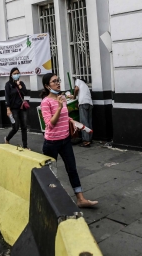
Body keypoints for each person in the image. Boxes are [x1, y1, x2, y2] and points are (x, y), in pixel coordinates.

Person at [40, 73, 98, 208]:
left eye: (58, 80)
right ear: (47, 86)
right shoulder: (46, 102)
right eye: (54, 81)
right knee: (49, 173)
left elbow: (64, 117)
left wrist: (70, 120)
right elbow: (50, 124)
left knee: (72, 169)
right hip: (51, 143)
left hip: (65, 140)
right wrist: (59, 108)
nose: (58, 83)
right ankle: (49, 200)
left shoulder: (63, 98)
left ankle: (81, 199)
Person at [4, 67, 28, 148]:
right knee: (15, 127)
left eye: (17, 73)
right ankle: (7, 139)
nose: (16, 75)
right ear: (11, 75)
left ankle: (25, 146)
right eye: (14, 74)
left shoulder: (21, 83)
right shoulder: (8, 85)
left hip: (22, 108)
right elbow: (7, 97)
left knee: (24, 127)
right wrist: (8, 109)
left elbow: (25, 92)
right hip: (13, 109)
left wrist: (20, 86)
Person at [71, 78, 93, 147]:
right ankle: (89, 138)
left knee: (84, 122)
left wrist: (74, 96)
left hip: (83, 103)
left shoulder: (78, 81)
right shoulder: (85, 86)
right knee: (89, 122)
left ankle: (86, 141)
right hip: (90, 104)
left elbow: (76, 89)